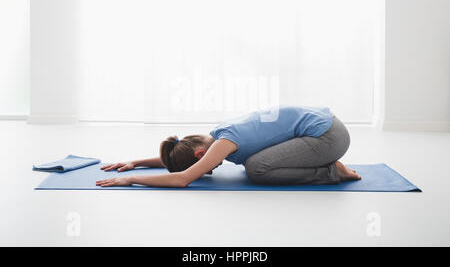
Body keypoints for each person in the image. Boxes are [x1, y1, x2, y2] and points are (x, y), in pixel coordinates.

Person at [96, 105, 361, 188]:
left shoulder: (224, 143)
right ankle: (327, 165)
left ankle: (332, 172)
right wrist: (138, 161)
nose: (209, 168)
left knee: (256, 169)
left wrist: (132, 179)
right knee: (254, 163)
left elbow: (183, 178)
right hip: (327, 125)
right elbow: (183, 157)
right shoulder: (219, 133)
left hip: (329, 137)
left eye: (206, 166)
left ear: (202, 154)